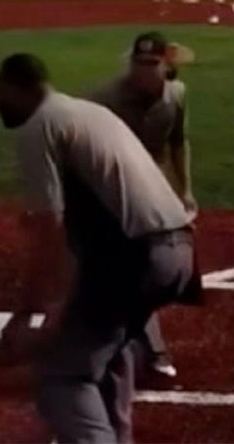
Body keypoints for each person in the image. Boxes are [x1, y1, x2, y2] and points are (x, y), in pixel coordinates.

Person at [0, 53, 202, 444]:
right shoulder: (89, 112)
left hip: (136, 256)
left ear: (14, 89)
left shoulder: (38, 125)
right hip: (180, 251)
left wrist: (29, 311)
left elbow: (49, 231)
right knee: (112, 352)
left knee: (63, 376)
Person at [87, 32, 197, 380]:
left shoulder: (176, 95)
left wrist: (187, 190)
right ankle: (148, 347)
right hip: (112, 187)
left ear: (166, 64)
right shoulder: (106, 100)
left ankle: (134, 339)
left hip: (155, 188)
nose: (144, 71)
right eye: (139, 63)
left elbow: (178, 142)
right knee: (120, 265)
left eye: (152, 64)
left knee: (148, 267)